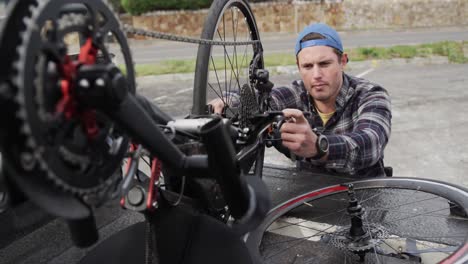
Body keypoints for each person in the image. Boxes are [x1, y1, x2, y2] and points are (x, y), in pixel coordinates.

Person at [210, 23, 392, 178]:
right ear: (298, 66)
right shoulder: (298, 93)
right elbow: (263, 100)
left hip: (365, 194)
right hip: (309, 193)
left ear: (343, 61)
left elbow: (370, 143)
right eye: (307, 66)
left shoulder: (371, 95)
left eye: (324, 64)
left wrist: (318, 147)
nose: (316, 75)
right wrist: (228, 100)